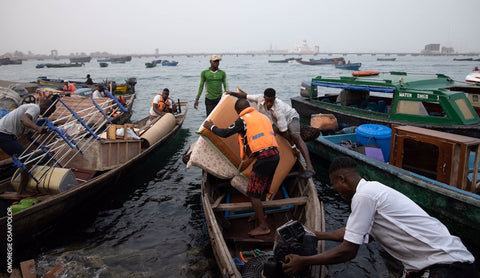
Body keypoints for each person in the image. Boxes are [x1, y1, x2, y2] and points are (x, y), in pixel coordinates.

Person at [282, 156, 476, 278]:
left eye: (335, 185)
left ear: (343, 179)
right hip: (445, 262)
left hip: (446, 266)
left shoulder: (364, 196)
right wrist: (317, 234)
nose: (335, 190)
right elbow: (351, 233)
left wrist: (303, 261)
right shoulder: (372, 191)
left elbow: (348, 251)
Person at [203, 98, 279, 236]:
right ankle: (261, 214)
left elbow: (225, 133)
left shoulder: (243, 119)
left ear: (238, 111)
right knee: (262, 190)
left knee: (252, 194)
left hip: (264, 158)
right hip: (275, 155)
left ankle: (263, 226)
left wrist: (211, 127)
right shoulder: (263, 117)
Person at [227, 88, 315, 178]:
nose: (268, 104)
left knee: (295, 136)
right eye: (267, 101)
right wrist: (230, 93)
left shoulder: (278, 110)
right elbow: (244, 96)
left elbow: (284, 132)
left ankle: (309, 167)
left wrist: (293, 147)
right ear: (264, 97)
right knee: (271, 130)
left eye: (271, 101)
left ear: (275, 98)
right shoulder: (259, 98)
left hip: (291, 117)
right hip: (277, 121)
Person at [0, 96, 58, 196]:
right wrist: (38, 128)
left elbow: (27, 134)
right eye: (51, 111)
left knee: (25, 157)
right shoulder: (34, 108)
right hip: (4, 134)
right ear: (47, 107)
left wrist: (40, 146)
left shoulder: (34, 116)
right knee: (28, 160)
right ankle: (21, 191)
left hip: (7, 134)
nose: (50, 115)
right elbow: (24, 119)